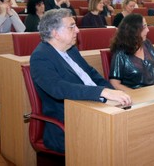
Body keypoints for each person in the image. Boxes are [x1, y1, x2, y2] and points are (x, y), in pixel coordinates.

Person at [30, 9, 131, 153]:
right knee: (119, 142)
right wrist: (102, 92)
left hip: (94, 107)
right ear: (55, 33)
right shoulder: (40, 57)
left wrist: (114, 92)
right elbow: (59, 88)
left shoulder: (71, 50)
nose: (77, 30)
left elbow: (91, 74)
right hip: (71, 121)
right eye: (72, 26)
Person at [109, 13, 154, 90]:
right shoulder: (120, 53)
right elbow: (114, 83)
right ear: (133, 30)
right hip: (137, 94)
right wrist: (135, 95)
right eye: (144, 27)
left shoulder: (147, 43)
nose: (148, 30)